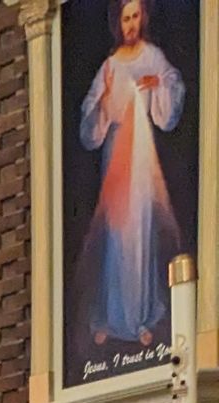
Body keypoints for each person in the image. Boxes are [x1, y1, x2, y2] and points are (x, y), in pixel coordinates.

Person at [77, 0, 187, 358]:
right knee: (115, 233)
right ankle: (111, 317)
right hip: (117, 157)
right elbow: (91, 115)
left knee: (140, 231)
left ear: (143, 18)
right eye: (125, 18)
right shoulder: (110, 66)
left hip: (142, 156)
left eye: (135, 16)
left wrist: (159, 84)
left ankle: (140, 316)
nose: (130, 24)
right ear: (117, 22)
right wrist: (106, 98)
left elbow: (172, 88)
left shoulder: (152, 56)